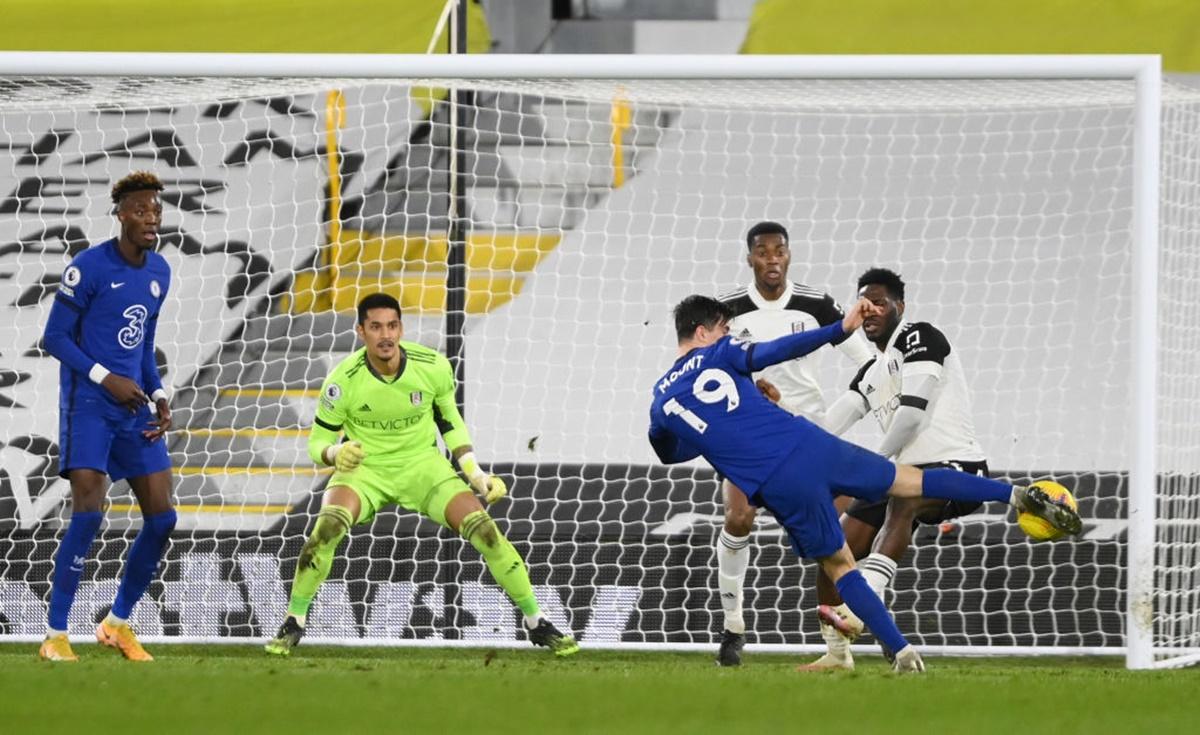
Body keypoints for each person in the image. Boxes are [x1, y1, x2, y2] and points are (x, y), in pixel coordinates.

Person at [647, 294, 1081, 673]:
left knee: (839, 565)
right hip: (813, 445)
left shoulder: (661, 403)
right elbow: (777, 350)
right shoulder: (722, 355)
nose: (727, 335)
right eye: (723, 329)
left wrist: (717, 437)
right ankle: (1016, 494)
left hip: (779, 484)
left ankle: (903, 652)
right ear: (703, 332)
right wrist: (838, 329)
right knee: (912, 481)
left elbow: (670, 452)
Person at [265, 293, 579, 657]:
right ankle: (295, 621)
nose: (386, 335)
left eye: (393, 325)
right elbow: (317, 442)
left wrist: (476, 476)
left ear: (401, 328)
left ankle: (535, 621)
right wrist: (336, 452)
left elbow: (451, 425)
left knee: (487, 533)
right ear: (361, 331)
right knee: (326, 530)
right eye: (376, 327)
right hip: (366, 470)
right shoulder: (342, 381)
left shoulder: (432, 366)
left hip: (423, 467)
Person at [800, 267, 991, 671]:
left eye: (879, 303)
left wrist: (873, 464)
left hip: (958, 468)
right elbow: (831, 425)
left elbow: (911, 415)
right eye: (863, 304)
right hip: (901, 474)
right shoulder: (871, 371)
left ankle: (870, 612)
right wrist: (782, 435)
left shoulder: (919, 336)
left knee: (903, 499)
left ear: (899, 307)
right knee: (835, 547)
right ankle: (837, 654)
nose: (869, 311)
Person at [713, 221, 872, 666]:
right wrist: (746, 392)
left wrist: (840, 417)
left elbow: (868, 364)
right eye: (762, 252)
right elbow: (714, 369)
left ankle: (837, 650)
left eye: (779, 251)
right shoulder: (728, 309)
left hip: (809, 436)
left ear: (789, 255)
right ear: (750, 259)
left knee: (834, 539)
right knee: (739, 517)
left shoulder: (816, 304)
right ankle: (733, 627)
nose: (772, 259)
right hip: (751, 433)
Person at [39, 171, 175, 662]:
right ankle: (55, 635)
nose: (151, 218)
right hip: (90, 406)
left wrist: (158, 391)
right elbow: (54, 339)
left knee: (163, 517)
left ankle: (117, 622)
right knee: (90, 511)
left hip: (133, 406)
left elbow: (142, 346)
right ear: (120, 214)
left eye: (156, 210)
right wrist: (104, 378)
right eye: (140, 210)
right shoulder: (88, 267)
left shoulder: (159, 271)